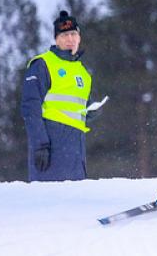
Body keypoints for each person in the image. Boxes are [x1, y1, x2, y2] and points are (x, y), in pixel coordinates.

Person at [21, 11, 106, 181]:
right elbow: (30, 108)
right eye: (65, 35)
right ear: (56, 39)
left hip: (76, 150)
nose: (70, 39)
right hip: (52, 147)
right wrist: (40, 145)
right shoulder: (42, 64)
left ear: (79, 37)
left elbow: (74, 107)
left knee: (75, 202)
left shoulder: (83, 72)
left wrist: (90, 112)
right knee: (51, 203)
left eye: (74, 34)